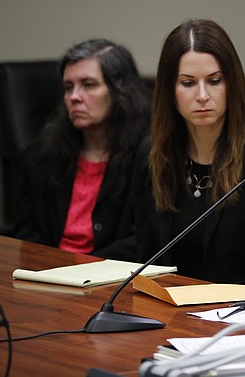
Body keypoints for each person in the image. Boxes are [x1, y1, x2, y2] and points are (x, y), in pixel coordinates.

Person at [134, 19, 245, 291]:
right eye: (188, 83)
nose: (202, 96)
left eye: (214, 81)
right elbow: (145, 264)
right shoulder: (152, 156)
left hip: (238, 319)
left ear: (231, 84)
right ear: (169, 90)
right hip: (163, 315)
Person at [14, 39, 150, 260]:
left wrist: (81, 273)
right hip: (47, 277)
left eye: (88, 85)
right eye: (68, 87)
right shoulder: (40, 157)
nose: (74, 97)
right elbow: (26, 233)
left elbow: (144, 240)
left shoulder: (149, 158)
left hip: (112, 282)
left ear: (120, 91)